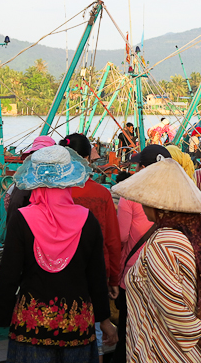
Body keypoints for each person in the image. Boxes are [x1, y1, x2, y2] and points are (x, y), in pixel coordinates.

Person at [0, 145, 117, 362]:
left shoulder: (22, 219)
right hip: (78, 327)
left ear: (35, 180)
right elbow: (97, 277)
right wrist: (105, 320)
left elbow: (8, 276)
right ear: (68, 179)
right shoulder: (87, 220)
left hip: (31, 328)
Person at [112, 157, 201, 362]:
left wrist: (199, 332)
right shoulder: (199, 233)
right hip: (191, 351)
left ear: (159, 205)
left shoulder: (163, 242)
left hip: (163, 349)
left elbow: (170, 303)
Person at [59, 134, 122, 362]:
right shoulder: (102, 194)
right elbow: (113, 242)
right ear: (87, 158)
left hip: (56, 274)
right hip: (95, 275)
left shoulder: (51, 193)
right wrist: (114, 279)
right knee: (95, 331)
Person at [112, 144, 171, 363]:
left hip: (134, 276)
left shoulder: (131, 195)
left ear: (144, 168)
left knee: (129, 333)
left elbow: (121, 237)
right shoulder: (178, 196)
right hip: (167, 276)